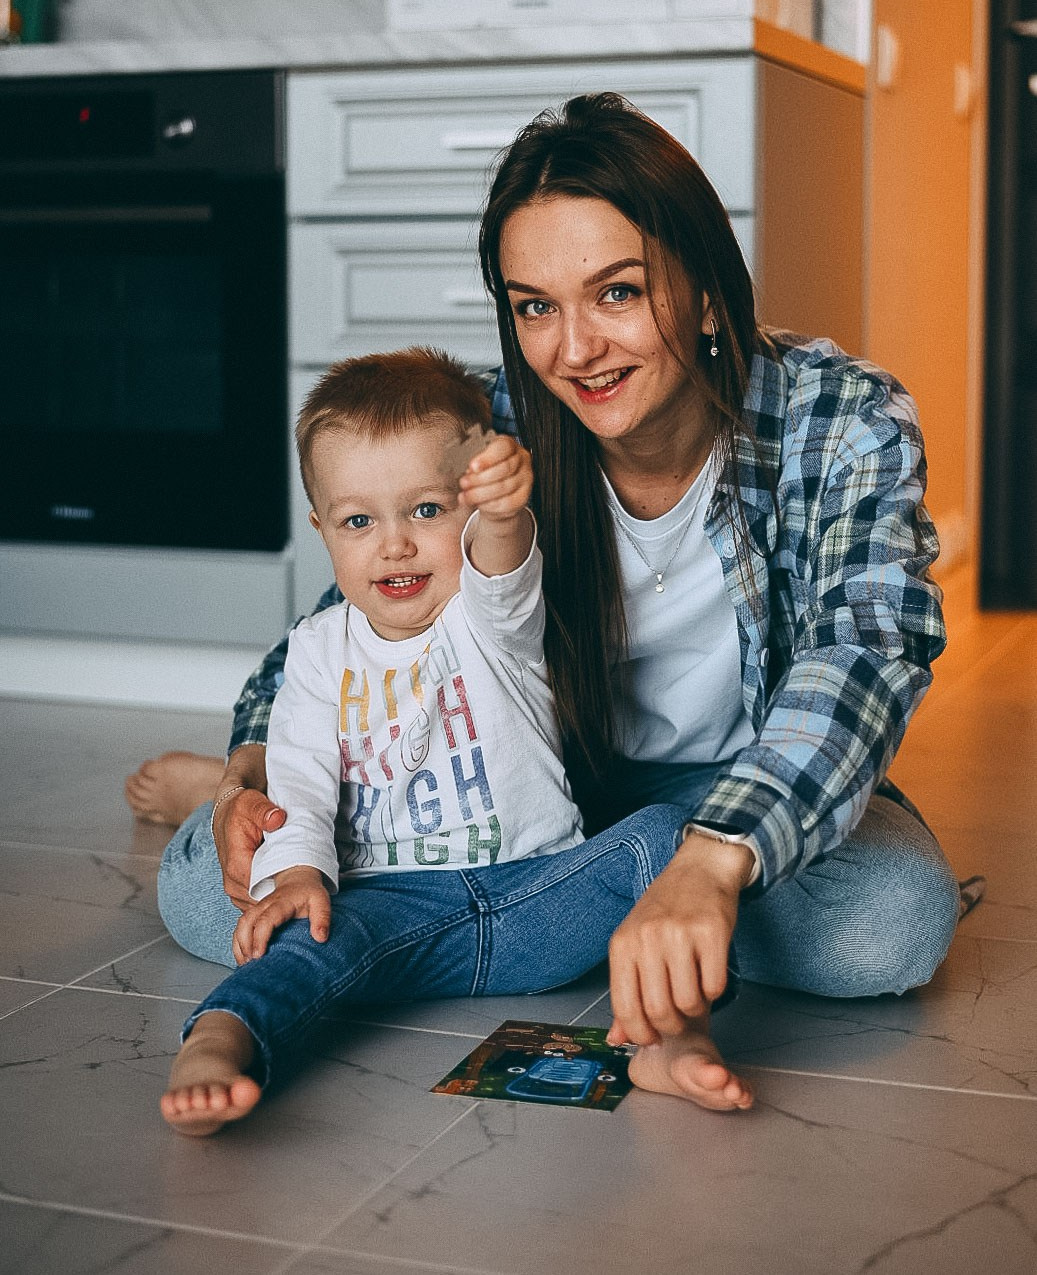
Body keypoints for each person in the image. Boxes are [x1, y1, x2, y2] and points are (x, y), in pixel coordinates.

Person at [141, 92, 967, 1116]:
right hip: (511, 780)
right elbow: (343, 625)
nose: (573, 350)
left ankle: (590, 895)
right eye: (533, 305)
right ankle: (601, 897)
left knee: (889, 925)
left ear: (706, 295)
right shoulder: (485, 425)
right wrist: (247, 770)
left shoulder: (836, 418)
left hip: (732, 779)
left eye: (614, 293)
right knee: (196, 890)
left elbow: (867, 645)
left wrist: (712, 858)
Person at [160, 347, 690, 1134]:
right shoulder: (315, 651)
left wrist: (505, 511)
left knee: (674, 838)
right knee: (299, 939)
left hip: (536, 893)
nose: (395, 544)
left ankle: (675, 1036)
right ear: (322, 528)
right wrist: (299, 872)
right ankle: (217, 1039)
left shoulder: (486, 619)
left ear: (467, 509)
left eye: (427, 510)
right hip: (390, 905)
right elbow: (299, 774)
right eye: (358, 520)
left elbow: (501, 568)